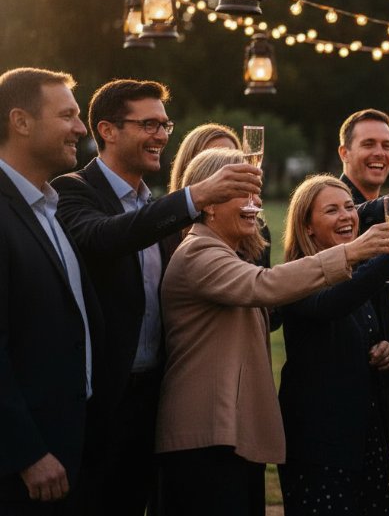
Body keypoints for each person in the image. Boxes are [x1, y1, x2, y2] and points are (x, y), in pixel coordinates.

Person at [153, 148, 389, 516]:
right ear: (207, 202)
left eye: (257, 195)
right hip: (205, 436)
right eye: (245, 195)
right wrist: (353, 252)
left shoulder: (225, 252)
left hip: (233, 435)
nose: (256, 206)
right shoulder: (198, 253)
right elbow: (266, 285)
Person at [52, 83, 261, 516]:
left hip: (158, 401)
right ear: (107, 130)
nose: (162, 135)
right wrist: (196, 196)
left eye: (165, 124)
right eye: (149, 124)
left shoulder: (159, 207)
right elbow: (103, 238)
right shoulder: (73, 190)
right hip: (101, 404)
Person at [0, 67, 101, 514]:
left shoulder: (47, 208)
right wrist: (26, 453)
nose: (81, 128)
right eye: (68, 116)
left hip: (69, 447)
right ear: (20, 122)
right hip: (24, 466)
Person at [276, 175, 389, 516]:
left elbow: (370, 328)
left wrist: (386, 349)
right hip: (321, 445)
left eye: (349, 206)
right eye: (331, 210)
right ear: (308, 227)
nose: (346, 216)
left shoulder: (354, 273)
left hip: (367, 438)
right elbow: (331, 304)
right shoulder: (295, 274)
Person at [166, 122, 271, 267]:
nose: (226, 170)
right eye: (214, 160)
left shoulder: (257, 229)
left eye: (232, 157)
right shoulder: (170, 229)